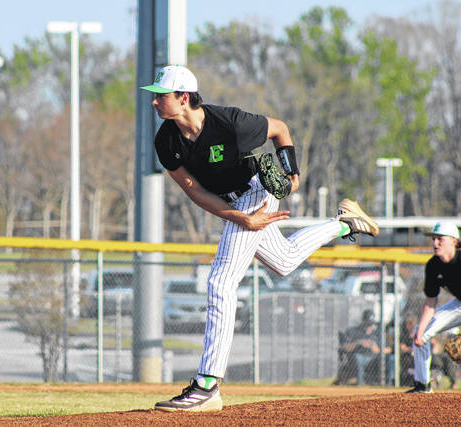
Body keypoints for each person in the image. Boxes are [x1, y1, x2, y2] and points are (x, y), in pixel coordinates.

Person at [140, 65, 379, 411]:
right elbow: (193, 189)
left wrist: (292, 172)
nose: (155, 102)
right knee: (284, 262)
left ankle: (207, 385)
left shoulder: (231, 124)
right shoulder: (167, 139)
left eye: (161, 96)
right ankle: (345, 225)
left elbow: (279, 129)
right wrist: (239, 218)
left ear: (184, 97)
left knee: (220, 282)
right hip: (235, 205)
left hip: (256, 190)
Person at [406, 221, 461, 393]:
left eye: (440, 239)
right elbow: (431, 302)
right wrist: (421, 332)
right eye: (433, 239)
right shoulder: (433, 265)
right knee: (419, 331)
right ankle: (423, 386)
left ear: (454, 240)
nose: (435, 243)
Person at [336, 309, 382, 386]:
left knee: (389, 359)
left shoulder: (377, 333)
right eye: (367, 324)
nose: (368, 327)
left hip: (373, 359)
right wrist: (358, 343)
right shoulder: (352, 331)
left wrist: (374, 347)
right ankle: (360, 385)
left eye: (370, 325)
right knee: (357, 357)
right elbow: (344, 346)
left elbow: (384, 350)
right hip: (356, 357)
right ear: (363, 322)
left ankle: (384, 384)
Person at [386, 314, 416, 386]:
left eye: (410, 324)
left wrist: (409, 349)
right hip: (405, 359)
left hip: (415, 359)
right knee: (393, 359)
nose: (407, 326)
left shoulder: (418, 335)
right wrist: (410, 350)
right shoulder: (403, 336)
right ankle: (390, 383)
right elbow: (401, 348)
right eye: (406, 324)